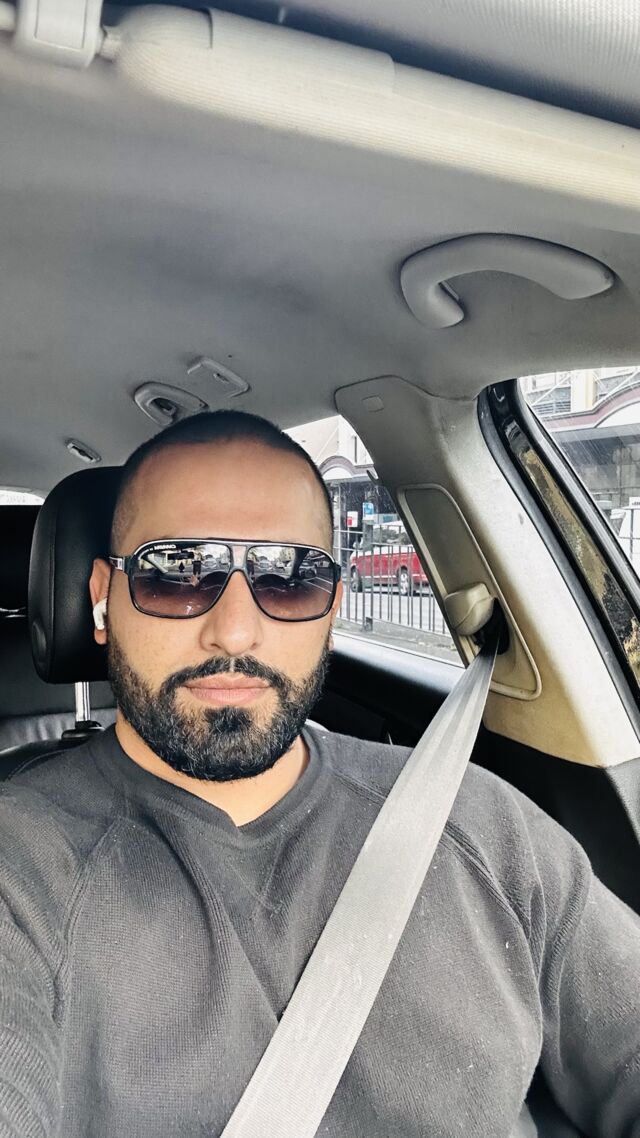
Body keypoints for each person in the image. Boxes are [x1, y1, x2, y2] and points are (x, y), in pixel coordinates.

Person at [0, 409, 639, 1138]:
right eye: (177, 572)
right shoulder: (22, 866)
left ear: (331, 608)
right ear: (102, 600)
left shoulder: (481, 826)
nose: (234, 631)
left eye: (289, 579)